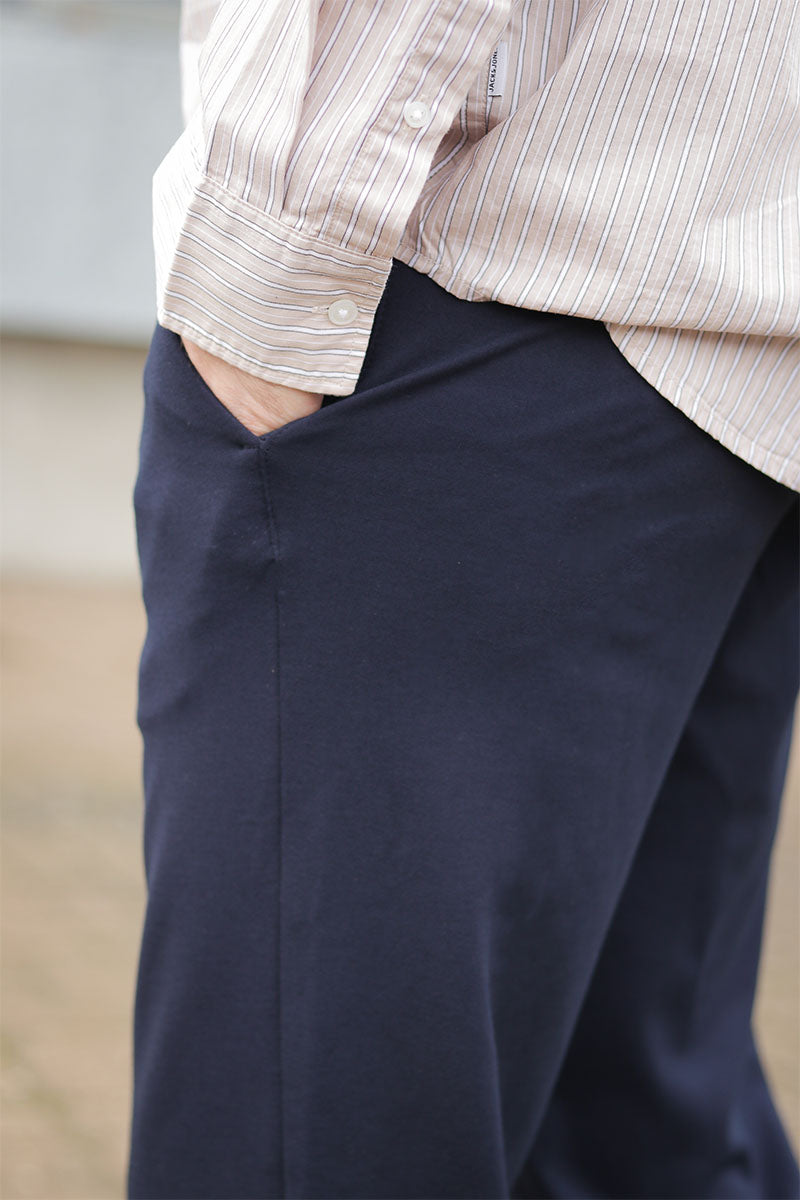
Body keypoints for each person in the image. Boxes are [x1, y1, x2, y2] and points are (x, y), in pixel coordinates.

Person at [126, 1, 800, 1197]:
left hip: (460, 309)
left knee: (306, 1141)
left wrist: (271, 265)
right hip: (728, 348)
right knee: (635, 1137)